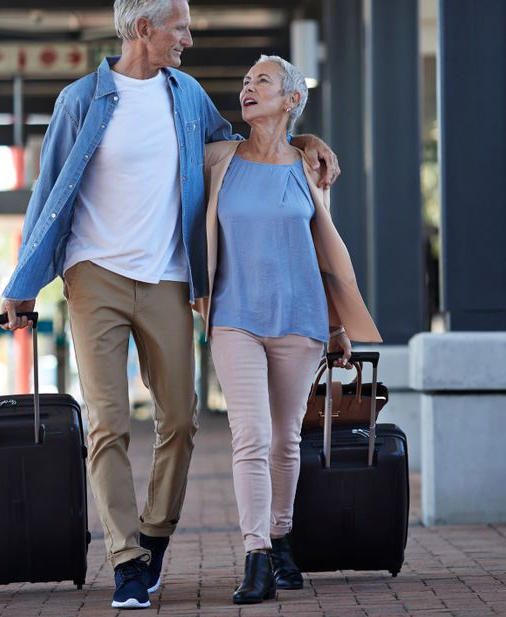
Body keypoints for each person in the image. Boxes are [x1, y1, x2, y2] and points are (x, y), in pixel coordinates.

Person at [1, 1, 339, 609]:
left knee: (180, 421)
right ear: (143, 29)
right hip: (93, 274)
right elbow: (48, 190)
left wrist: (305, 135)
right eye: (179, 25)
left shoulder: (186, 97)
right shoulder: (81, 100)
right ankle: (127, 560)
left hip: (167, 278)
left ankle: (154, 536)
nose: (189, 36)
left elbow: (249, 148)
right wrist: (24, 278)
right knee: (108, 422)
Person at [195, 55, 382, 605]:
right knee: (249, 436)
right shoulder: (218, 160)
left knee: (285, 441)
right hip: (234, 319)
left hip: (300, 321)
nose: (248, 88)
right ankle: (255, 555)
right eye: (246, 80)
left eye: (263, 82)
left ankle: (281, 539)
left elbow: (321, 254)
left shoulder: (310, 168)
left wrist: (334, 327)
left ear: (291, 100)